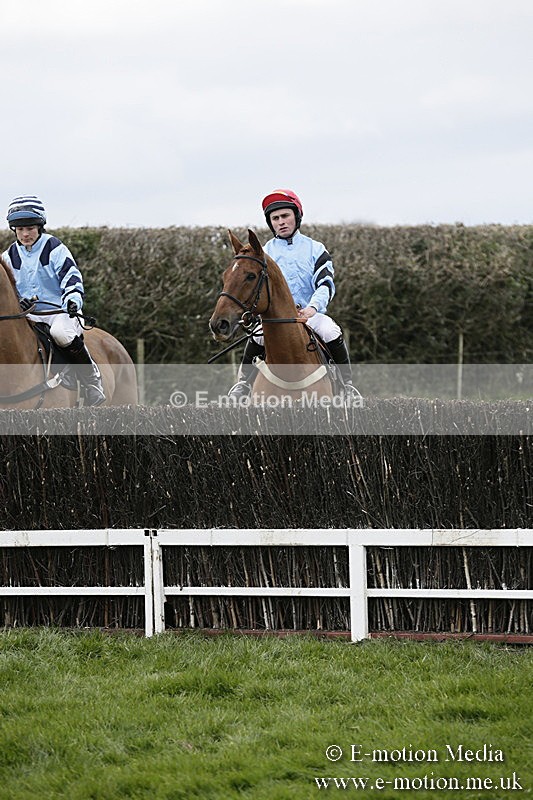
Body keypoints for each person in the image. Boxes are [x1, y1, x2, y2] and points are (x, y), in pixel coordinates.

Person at [228, 188, 358, 398]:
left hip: (309, 315)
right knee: (257, 337)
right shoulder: (265, 253)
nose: (281, 222)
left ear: (296, 217)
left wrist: (312, 308)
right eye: (275, 218)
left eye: (285, 216)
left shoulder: (316, 249)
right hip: (276, 319)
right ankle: (243, 384)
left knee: (331, 330)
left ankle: (347, 386)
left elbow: (325, 284)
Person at [2, 195, 106, 406]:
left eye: (30, 228)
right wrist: (18, 302)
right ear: (14, 230)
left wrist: (72, 299)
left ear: (40, 226)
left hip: (59, 312)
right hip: (29, 315)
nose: (25, 234)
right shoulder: (8, 256)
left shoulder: (54, 248)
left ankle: (91, 379)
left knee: (62, 333)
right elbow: (9, 291)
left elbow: (71, 277)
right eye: (20, 229)